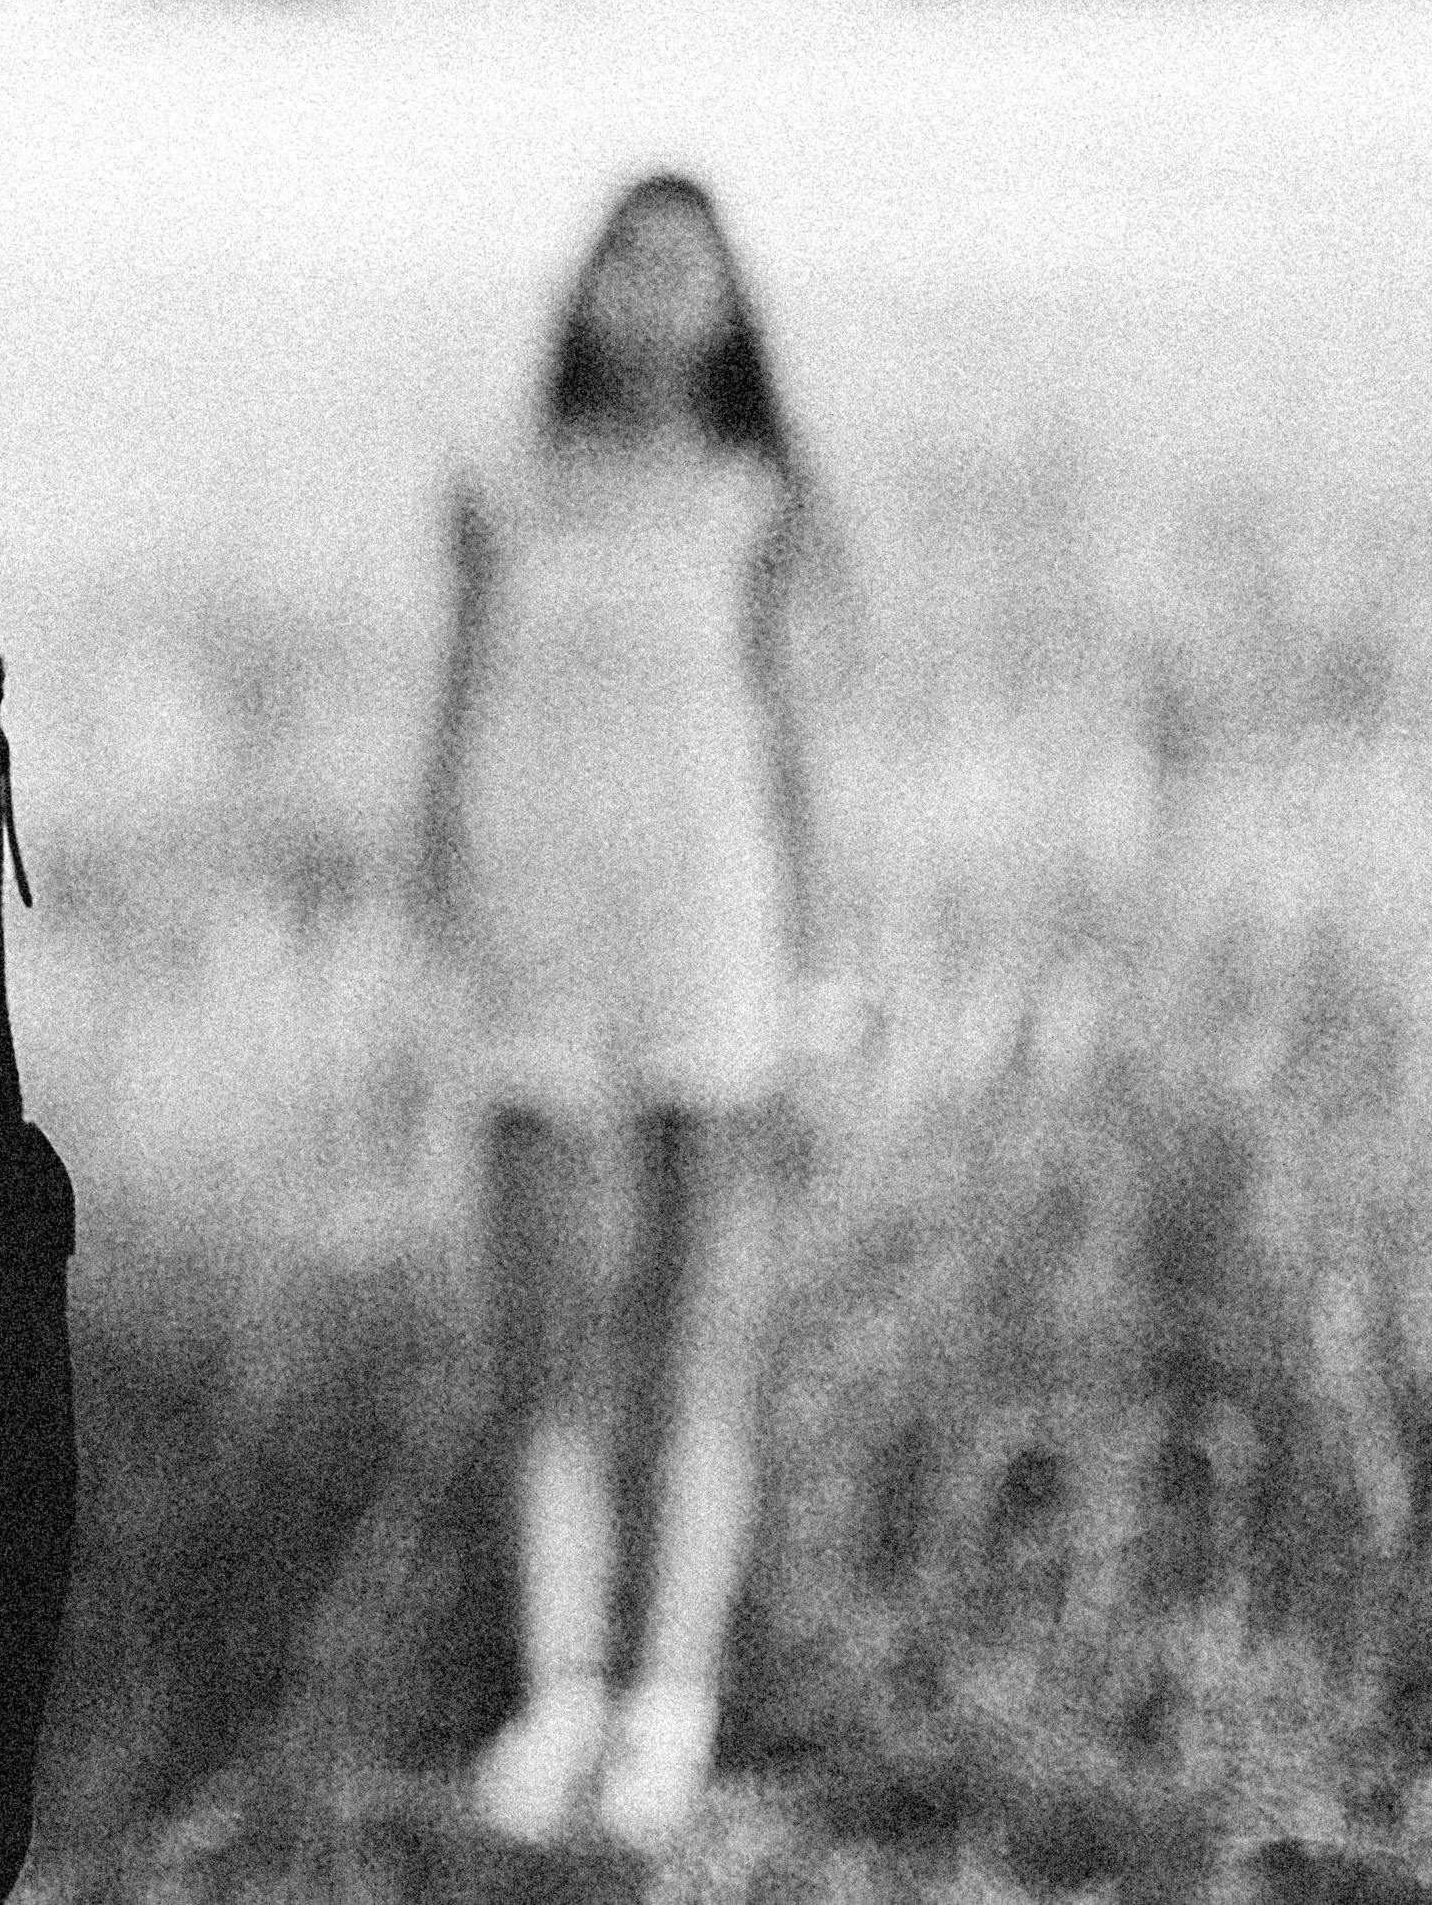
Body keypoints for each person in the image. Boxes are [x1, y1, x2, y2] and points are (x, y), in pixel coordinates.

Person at [413, 173, 845, 1849]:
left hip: (713, 939)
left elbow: (795, 749)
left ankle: (671, 1710)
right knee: (551, 1353)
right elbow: (451, 727)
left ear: (733, 310)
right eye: (629, 261)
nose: (657, 297)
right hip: (539, 945)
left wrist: (820, 971)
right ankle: (560, 1696)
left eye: (691, 270)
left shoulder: (759, 496)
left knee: (700, 1341)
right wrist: (435, 934)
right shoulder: (501, 486)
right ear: (582, 284)